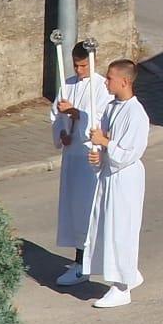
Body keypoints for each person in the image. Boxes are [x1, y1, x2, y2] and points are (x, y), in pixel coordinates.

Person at [82, 59, 150, 308]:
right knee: (106, 227)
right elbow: (107, 140)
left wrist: (106, 143)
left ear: (125, 81)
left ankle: (122, 287)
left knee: (121, 229)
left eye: (110, 78)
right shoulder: (112, 108)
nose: (106, 81)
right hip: (109, 176)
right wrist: (98, 152)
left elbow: (129, 152)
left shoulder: (136, 113)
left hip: (126, 179)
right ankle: (128, 275)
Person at [52, 40, 110, 287]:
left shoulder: (101, 87)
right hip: (71, 155)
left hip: (89, 155)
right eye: (76, 65)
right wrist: (61, 132)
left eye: (84, 65)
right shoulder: (68, 84)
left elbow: (97, 118)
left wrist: (75, 113)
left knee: (87, 207)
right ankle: (78, 259)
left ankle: (86, 261)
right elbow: (55, 114)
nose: (79, 70)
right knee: (72, 208)